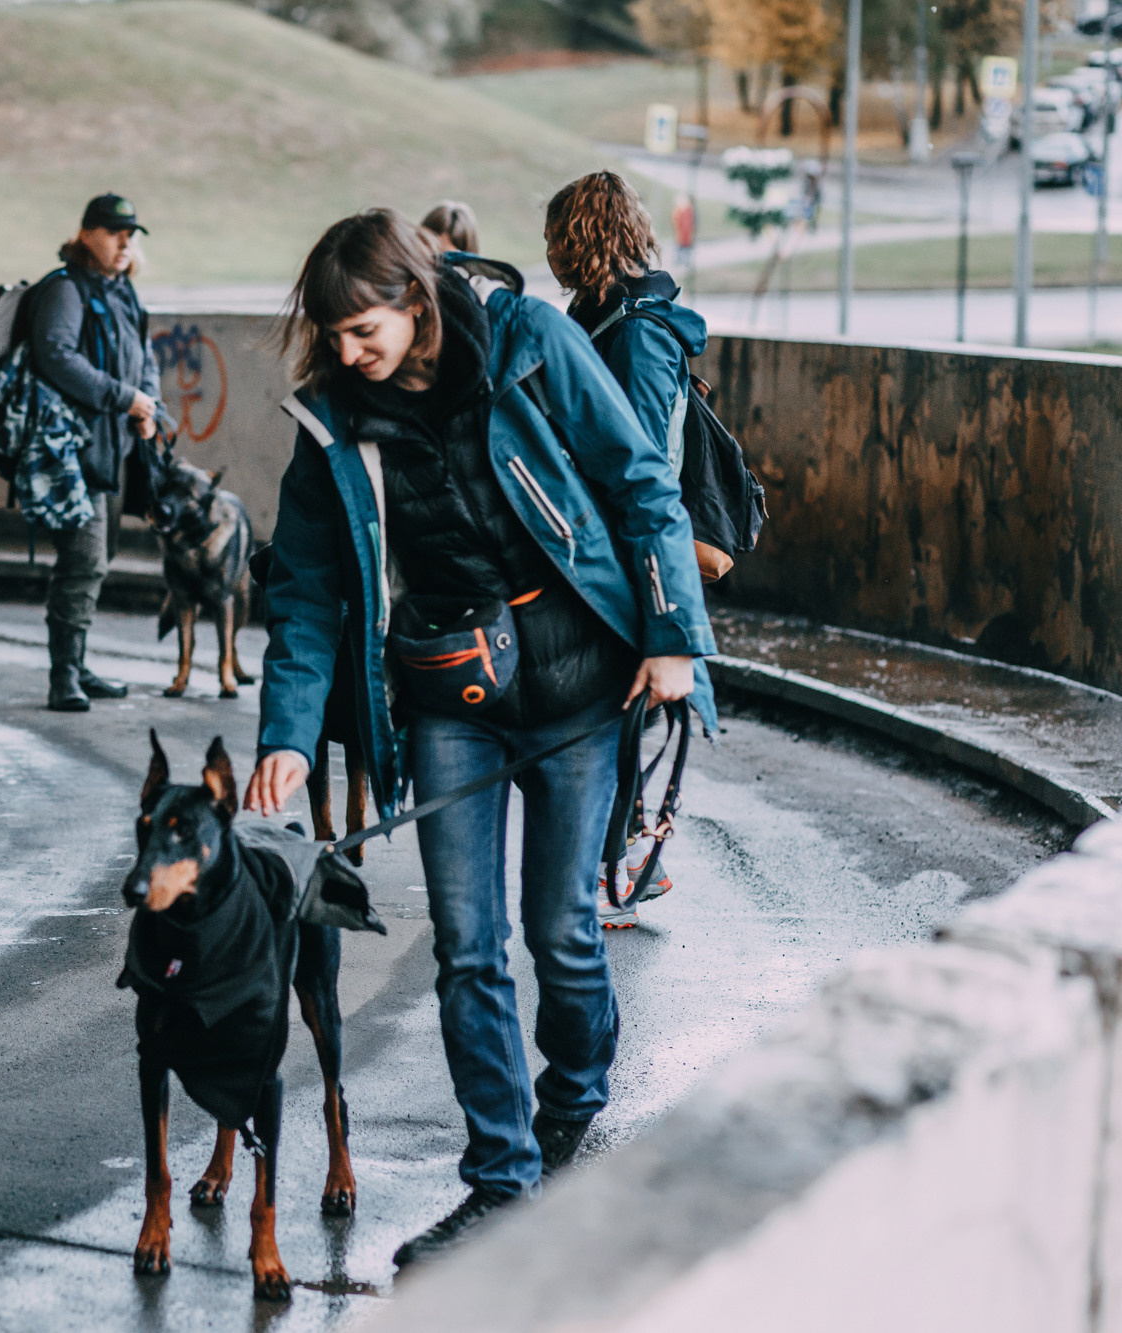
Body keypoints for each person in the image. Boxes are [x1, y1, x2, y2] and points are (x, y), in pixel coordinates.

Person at [244, 210, 715, 1268]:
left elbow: (640, 481)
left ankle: (571, 1107)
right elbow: (305, 591)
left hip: (578, 674)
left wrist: (672, 636)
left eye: (362, 331)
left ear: (414, 304)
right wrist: (284, 731)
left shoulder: (526, 342)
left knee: (561, 931)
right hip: (447, 690)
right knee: (466, 948)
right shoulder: (330, 418)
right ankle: (497, 1181)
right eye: (332, 335)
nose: (346, 353)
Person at [545, 170, 710, 929]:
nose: (547, 253)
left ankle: (624, 864)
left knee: (617, 714)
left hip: (625, 556)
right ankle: (628, 859)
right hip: (604, 552)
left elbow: (639, 461)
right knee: (612, 713)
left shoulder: (639, 332)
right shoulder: (604, 318)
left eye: (555, 237)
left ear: (579, 237)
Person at [27, 193, 166, 712]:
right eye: (115, 232)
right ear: (87, 234)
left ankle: (78, 665)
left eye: (131, 234)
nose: (125, 242)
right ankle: (63, 675)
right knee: (83, 561)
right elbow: (56, 356)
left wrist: (148, 401)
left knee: (100, 560)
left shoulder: (122, 290)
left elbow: (143, 354)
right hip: (72, 454)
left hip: (116, 451)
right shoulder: (64, 290)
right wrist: (122, 396)